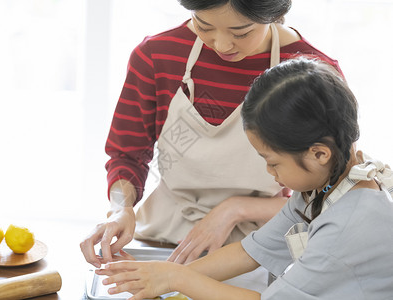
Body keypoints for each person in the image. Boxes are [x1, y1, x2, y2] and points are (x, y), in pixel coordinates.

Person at [80, 0, 342, 283]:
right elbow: (126, 155)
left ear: (273, 14)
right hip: (163, 238)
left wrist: (234, 209)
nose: (222, 45)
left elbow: (332, 192)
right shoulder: (157, 57)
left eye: (240, 32)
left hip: (258, 246)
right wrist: (121, 208)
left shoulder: (313, 74)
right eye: (203, 25)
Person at [96, 58, 393, 299]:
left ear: (319, 154)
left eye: (272, 161)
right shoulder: (326, 185)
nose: (269, 172)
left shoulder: (350, 221)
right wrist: (164, 275)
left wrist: (176, 277)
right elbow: (252, 250)